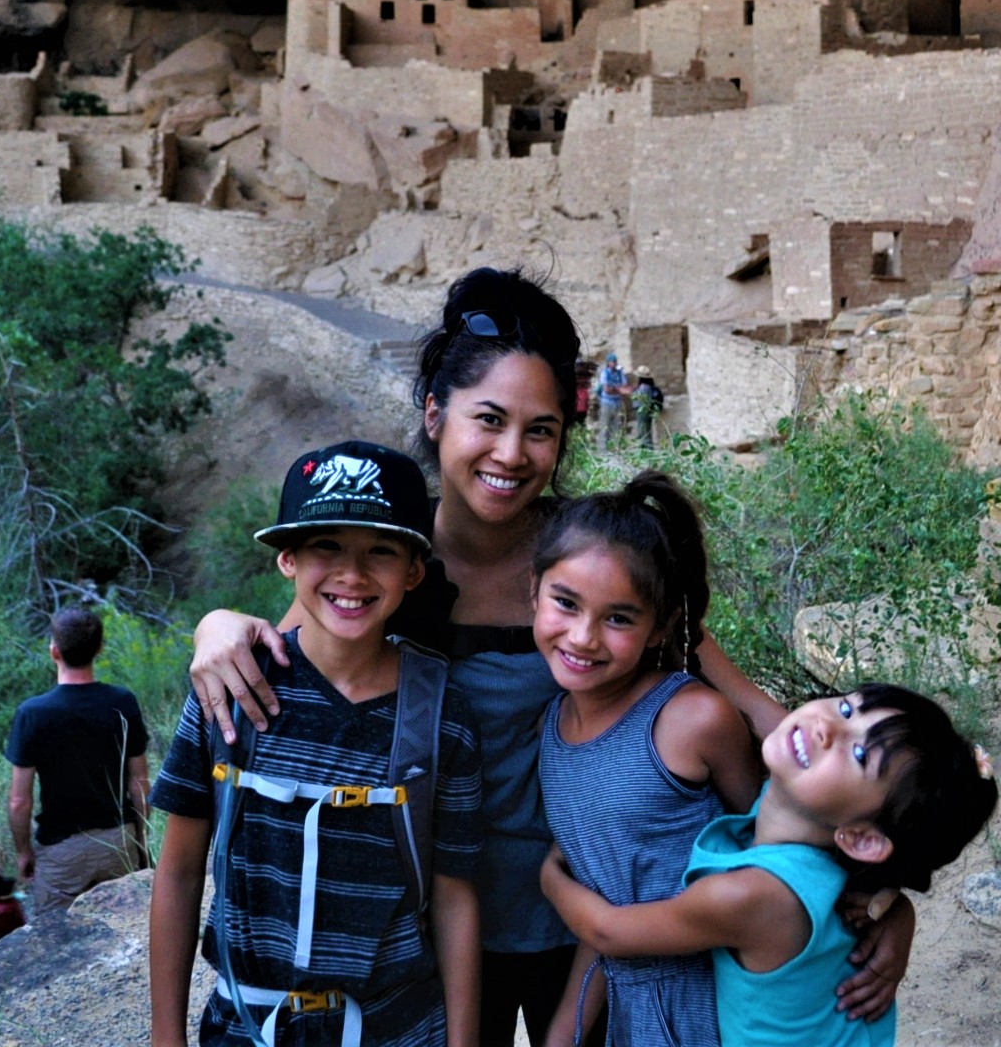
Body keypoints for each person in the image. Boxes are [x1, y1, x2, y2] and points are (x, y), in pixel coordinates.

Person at [189, 268, 917, 1047]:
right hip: (436, 920)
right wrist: (216, 625)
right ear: (435, 414)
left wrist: (889, 895)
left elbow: (757, 717)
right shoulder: (382, 564)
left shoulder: (594, 561)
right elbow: (297, 655)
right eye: (489, 420)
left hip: (596, 924)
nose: (512, 452)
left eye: (540, 429)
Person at [150, 440, 485, 1047]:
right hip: (246, 1027)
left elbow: (455, 899)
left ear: (413, 569)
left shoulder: (441, 715)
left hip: (396, 1028)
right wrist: (165, 1035)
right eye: (325, 546)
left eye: (380, 551)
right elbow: (178, 873)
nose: (351, 575)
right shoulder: (230, 688)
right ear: (288, 560)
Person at [542, 685, 1000, 1047]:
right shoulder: (808, 829)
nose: (826, 728)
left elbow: (609, 933)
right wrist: (898, 910)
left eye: (860, 755)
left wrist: (551, 875)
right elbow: (763, 712)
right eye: (846, 708)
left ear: (862, 838)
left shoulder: (755, 896)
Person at [531, 472, 763, 1047]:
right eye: (565, 603)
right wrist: (563, 1033)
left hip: (718, 1007)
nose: (583, 637)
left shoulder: (692, 720)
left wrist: (884, 908)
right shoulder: (551, 728)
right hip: (629, 1017)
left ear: (660, 626)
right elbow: (606, 896)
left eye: (618, 618)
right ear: (531, 591)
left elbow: (777, 850)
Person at [6, 606, 151, 913]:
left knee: (57, 943)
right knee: (126, 932)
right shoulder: (122, 702)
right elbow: (139, 783)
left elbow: (20, 801)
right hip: (118, 840)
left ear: (53, 651)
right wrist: (141, 839)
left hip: (62, 853)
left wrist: (23, 852)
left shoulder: (33, 714)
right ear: (99, 648)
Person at [592, 353, 627, 450]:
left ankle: (616, 448)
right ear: (608, 363)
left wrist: (616, 389)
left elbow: (624, 386)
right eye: (613, 361)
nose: (615, 363)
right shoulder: (605, 373)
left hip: (617, 402)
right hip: (607, 402)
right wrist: (618, 390)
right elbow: (607, 389)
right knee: (605, 426)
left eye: (615, 361)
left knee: (617, 426)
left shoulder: (619, 373)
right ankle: (602, 449)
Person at [629, 367, 665, 449]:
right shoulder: (648, 386)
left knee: (643, 432)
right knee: (646, 431)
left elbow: (639, 399)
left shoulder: (644, 387)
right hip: (646, 411)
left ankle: (647, 449)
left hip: (642, 411)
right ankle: (647, 449)